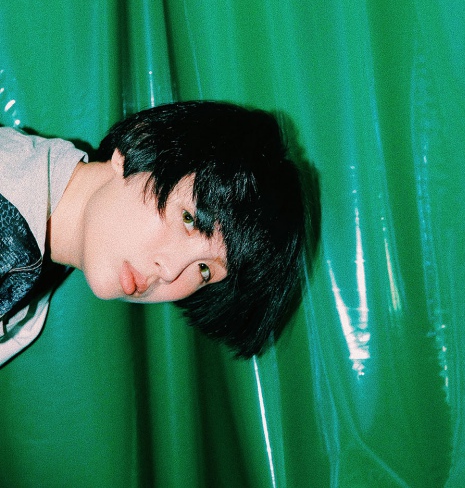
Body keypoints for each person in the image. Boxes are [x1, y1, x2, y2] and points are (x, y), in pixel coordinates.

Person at [0, 100, 310, 366]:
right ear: (138, 148)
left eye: (204, 270)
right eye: (189, 218)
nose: (171, 271)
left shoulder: (31, 271)